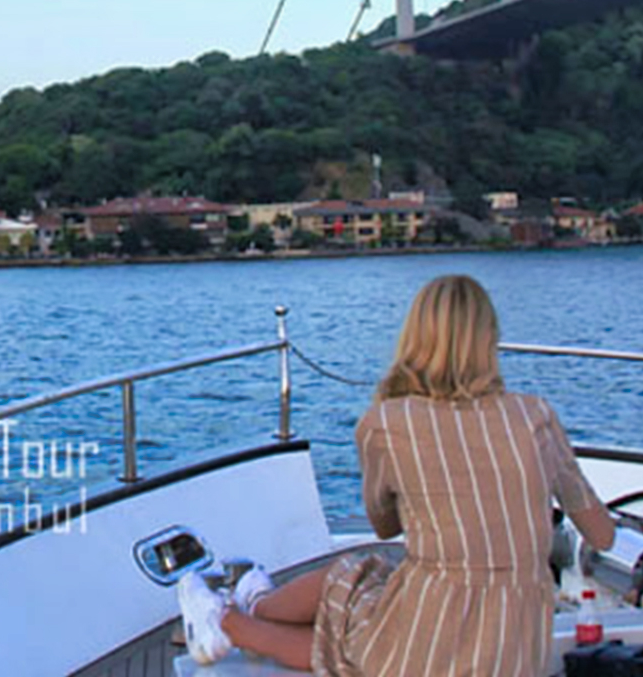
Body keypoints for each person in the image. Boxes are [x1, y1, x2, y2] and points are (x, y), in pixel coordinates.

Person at [177, 274, 616, 674]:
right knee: (369, 619)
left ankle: (232, 618)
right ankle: (250, 605)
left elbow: (385, 526)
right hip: (515, 650)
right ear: (489, 341)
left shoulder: (386, 422)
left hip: (420, 648)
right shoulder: (536, 416)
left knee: (352, 580)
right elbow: (602, 536)